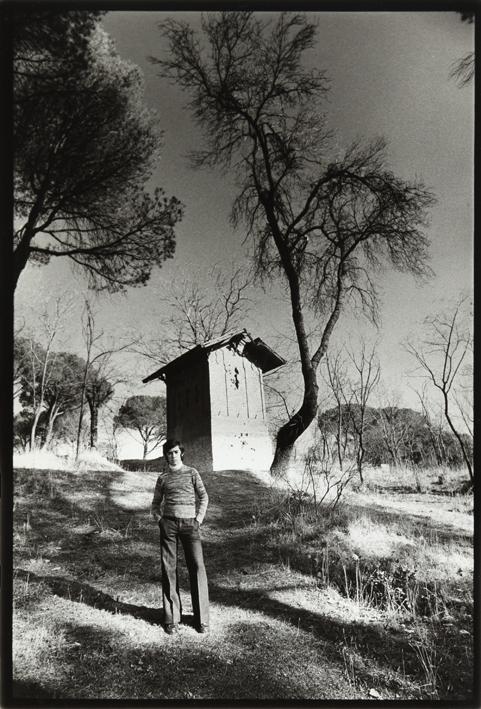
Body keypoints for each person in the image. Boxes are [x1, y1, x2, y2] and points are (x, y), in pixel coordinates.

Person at [151, 438, 209, 635]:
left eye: (176, 452)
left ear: (181, 453)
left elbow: (204, 497)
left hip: (190, 526)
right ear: (165, 455)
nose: (172, 456)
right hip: (169, 526)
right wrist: (160, 521)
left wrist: (198, 519)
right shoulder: (163, 478)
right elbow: (155, 504)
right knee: (169, 569)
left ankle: (201, 620)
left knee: (198, 567)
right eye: (169, 453)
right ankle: (172, 619)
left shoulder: (192, 473)